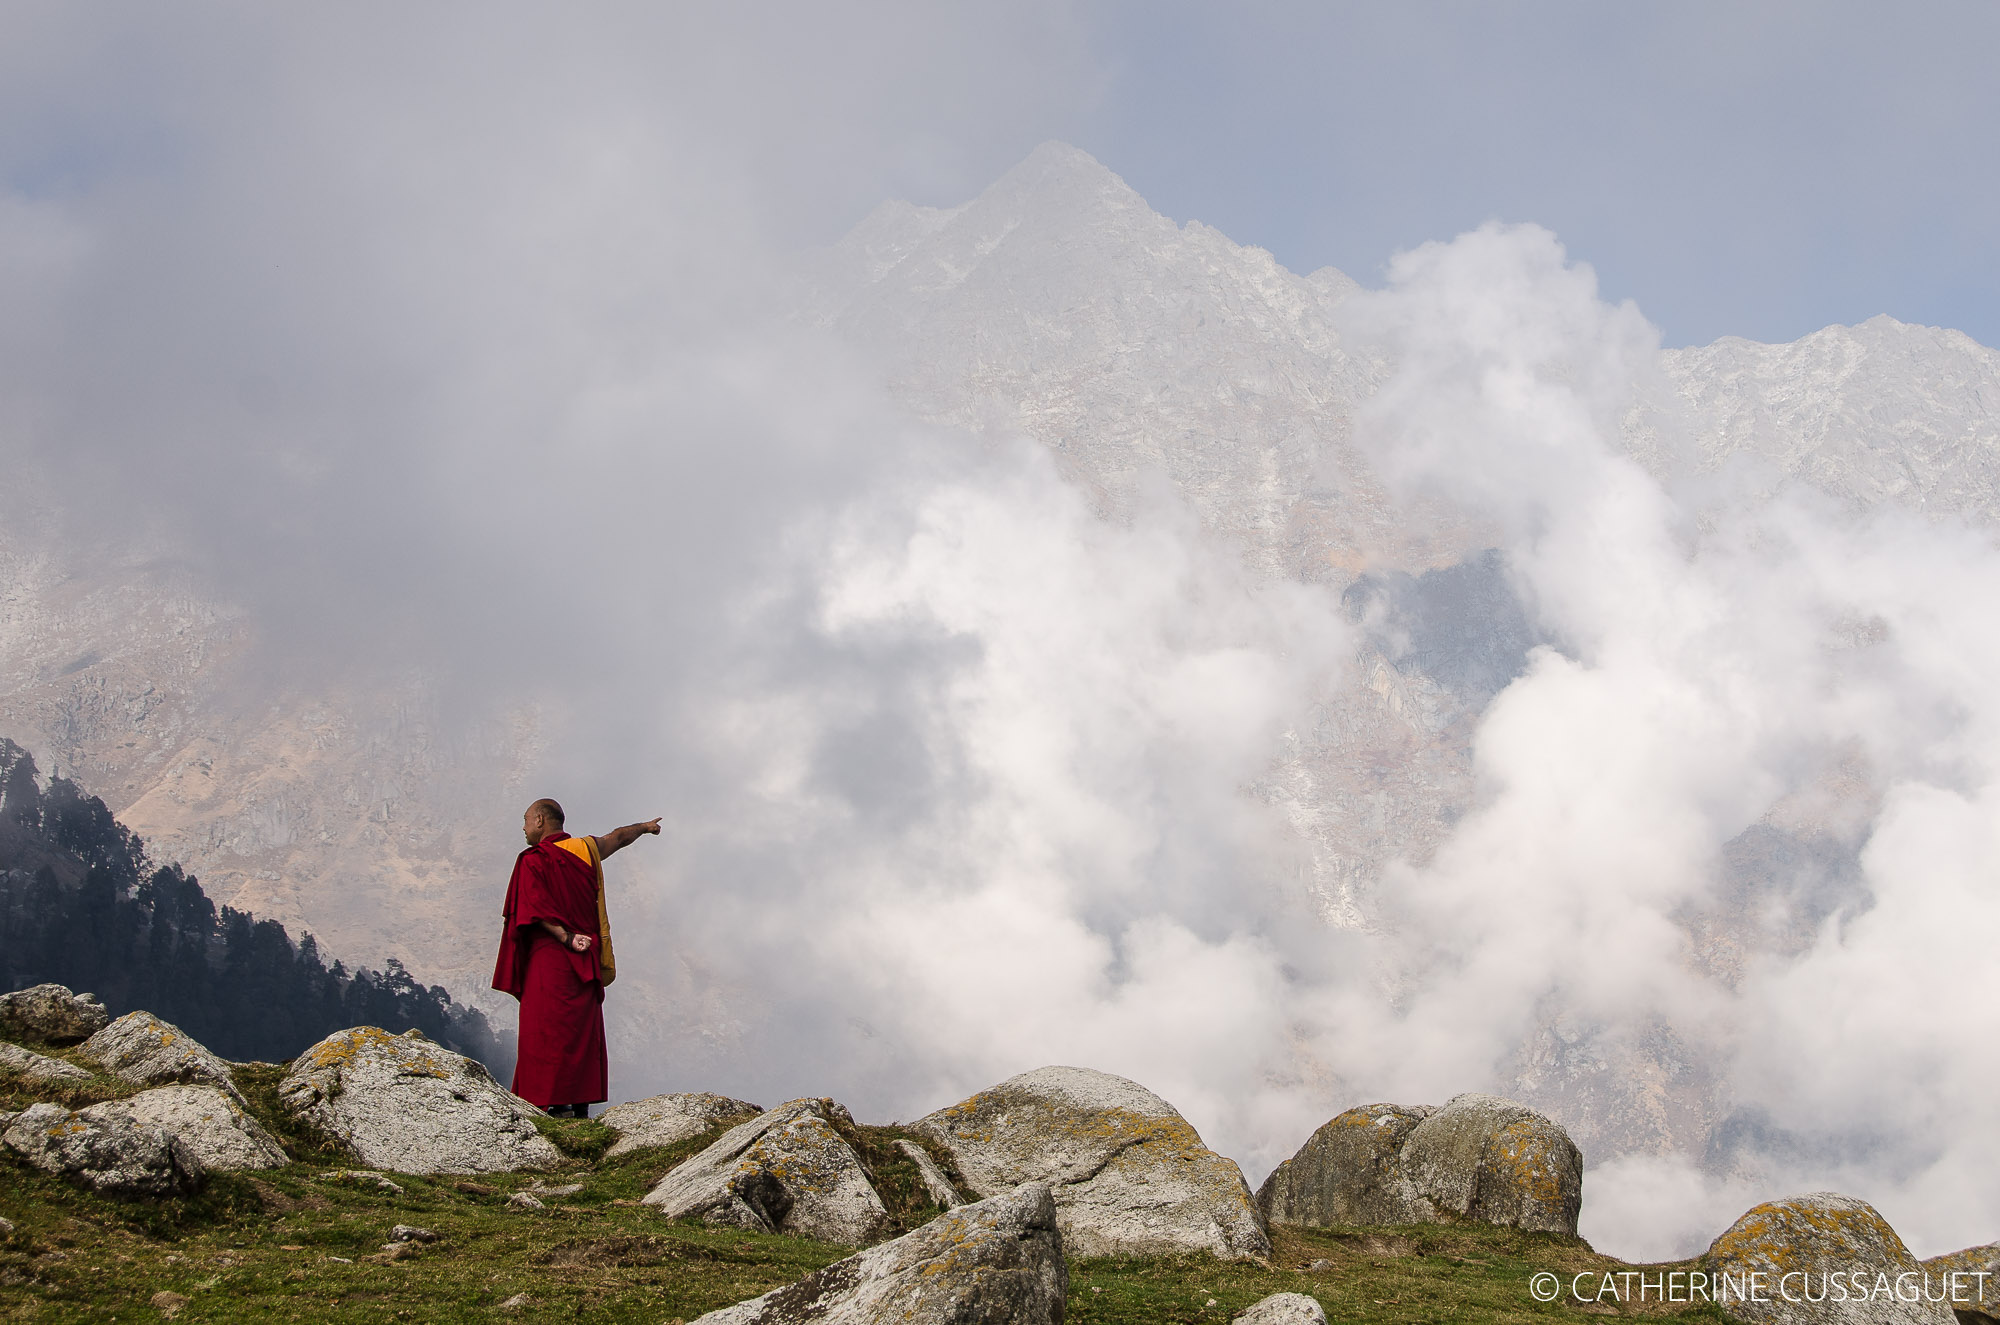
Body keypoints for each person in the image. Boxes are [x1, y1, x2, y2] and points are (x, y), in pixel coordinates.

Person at [491, 797, 659, 1119]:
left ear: (541, 820)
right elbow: (619, 838)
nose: (524, 828)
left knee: (545, 1032)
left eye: (526, 820)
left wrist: (564, 936)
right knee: (579, 1030)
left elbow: (530, 910)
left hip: (549, 959)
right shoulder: (586, 849)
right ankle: (578, 1107)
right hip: (585, 960)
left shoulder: (532, 860)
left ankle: (549, 1106)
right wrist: (645, 828)